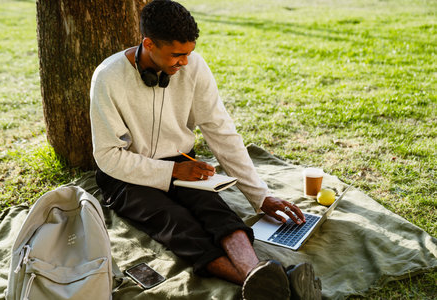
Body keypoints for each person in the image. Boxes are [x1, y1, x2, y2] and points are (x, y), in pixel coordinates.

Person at [90, 0, 322, 299]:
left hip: (182, 161)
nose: (185, 62)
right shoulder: (108, 77)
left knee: (215, 210)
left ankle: (259, 277)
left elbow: (220, 131)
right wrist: (171, 171)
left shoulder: (193, 65)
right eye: (177, 55)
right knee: (176, 223)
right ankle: (279, 285)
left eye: (189, 53)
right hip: (124, 174)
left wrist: (260, 195)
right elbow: (107, 156)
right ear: (148, 44)